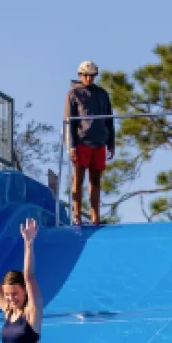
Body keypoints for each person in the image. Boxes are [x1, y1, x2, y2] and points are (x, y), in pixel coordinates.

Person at [64, 60, 115, 226]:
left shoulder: (102, 94)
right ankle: (77, 214)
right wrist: (71, 145)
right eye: (86, 75)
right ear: (80, 75)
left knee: (95, 181)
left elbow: (109, 119)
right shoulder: (74, 94)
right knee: (78, 179)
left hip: (99, 141)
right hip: (81, 142)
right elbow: (68, 121)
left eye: (92, 76)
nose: (89, 78)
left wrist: (111, 143)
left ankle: (95, 217)